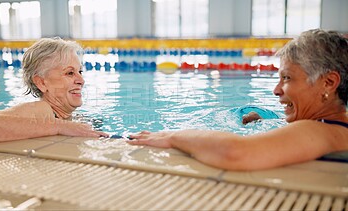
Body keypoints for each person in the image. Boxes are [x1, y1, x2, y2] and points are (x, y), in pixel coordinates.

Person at [128, 29, 348, 171]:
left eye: (287, 78)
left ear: (328, 83)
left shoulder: (319, 130)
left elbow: (236, 153)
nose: (276, 90)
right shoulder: (334, 127)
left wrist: (173, 136)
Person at [0, 37, 108, 143]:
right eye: (70, 73)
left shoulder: (61, 116)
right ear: (41, 83)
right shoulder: (43, 109)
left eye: (80, 72)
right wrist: (59, 126)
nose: (81, 81)